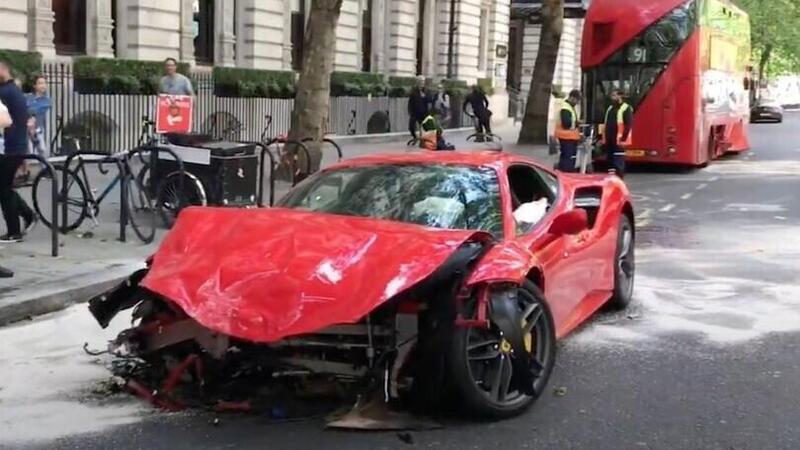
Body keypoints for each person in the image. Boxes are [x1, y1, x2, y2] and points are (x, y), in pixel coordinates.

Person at [0, 59, 36, 243]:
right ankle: (28, 215)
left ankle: (14, 231)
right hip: (17, 146)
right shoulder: (16, 91)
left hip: (8, 148)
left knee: (4, 190)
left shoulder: (4, 93)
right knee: (4, 188)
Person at [601, 89, 633, 178]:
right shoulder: (610, 108)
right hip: (610, 139)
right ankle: (611, 178)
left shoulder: (626, 108)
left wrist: (624, 138)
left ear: (620, 96)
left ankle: (619, 179)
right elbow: (606, 123)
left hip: (619, 140)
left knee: (618, 161)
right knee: (610, 161)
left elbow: (628, 124)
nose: (612, 97)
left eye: (614, 95)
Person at [555, 89, 583, 172]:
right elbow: (566, 124)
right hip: (566, 137)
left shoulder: (569, 107)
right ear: (572, 98)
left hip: (569, 137)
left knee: (567, 157)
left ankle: (563, 172)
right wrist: (577, 123)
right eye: (577, 100)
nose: (577, 102)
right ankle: (566, 174)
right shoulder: (566, 108)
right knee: (568, 159)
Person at [26, 74, 52, 159]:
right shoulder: (28, 97)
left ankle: (45, 170)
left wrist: (30, 111)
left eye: (44, 83)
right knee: (27, 152)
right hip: (25, 127)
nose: (43, 85)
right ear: (35, 85)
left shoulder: (47, 101)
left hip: (37, 129)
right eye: (40, 83)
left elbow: (37, 109)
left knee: (42, 150)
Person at [407, 76, 430, 141]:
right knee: (411, 127)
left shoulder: (426, 91)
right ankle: (415, 137)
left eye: (423, 81)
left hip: (423, 113)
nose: (422, 83)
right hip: (415, 113)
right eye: (421, 81)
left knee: (423, 127)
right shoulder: (414, 91)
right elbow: (410, 102)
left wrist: (425, 96)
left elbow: (429, 101)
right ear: (418, 82)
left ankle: (422, 138)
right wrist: (410, 111)